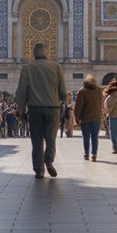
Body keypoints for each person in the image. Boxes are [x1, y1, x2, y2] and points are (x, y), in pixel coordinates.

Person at [15, 43, 67, 179]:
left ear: (33, 54)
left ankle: (39, 170)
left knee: (37, 140)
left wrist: (21, 109)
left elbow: (21, 91)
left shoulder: (27, 68)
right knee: (51, 138)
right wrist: (62, 100)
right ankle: (48, 160)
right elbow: (63, 91)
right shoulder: (56, 67)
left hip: (35, 108)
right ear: (47, 53)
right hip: (53, 108)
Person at [73, 75, 103, 161]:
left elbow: (78, 106)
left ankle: (86, 154)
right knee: (95, 136)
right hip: (97, 117)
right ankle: (94, 154)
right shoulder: (99, 90)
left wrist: (76, 118)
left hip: (85, 118)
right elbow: (101, 103)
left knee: (86, 137)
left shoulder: (82, 91)